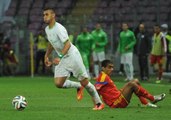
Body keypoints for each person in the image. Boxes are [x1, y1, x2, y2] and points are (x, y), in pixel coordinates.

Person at [43, 7, 104, 110]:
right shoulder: (47, 29)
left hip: (72, 56)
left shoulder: (59, 28)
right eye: (43, 15)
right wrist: (46, 55)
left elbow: (67, 44)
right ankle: (78, 86)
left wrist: (60, 56)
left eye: (47, 14)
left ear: (53, 15)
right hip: (62, 58)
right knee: (58, 83)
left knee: (85, 82)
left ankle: (98, 103)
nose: (44, 17)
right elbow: (51, 43)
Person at [94, 59, 166, 108]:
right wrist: (98, 104)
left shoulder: (105, 76)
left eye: (112, 67)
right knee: (132, 85)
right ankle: (152, 98)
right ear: (103, 68)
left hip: (118, 95)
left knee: (135, 81)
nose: (112, 69)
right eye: (109, 67)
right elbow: (95, 91)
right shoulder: (102, 77)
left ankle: (145, 103)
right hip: (116, 102)